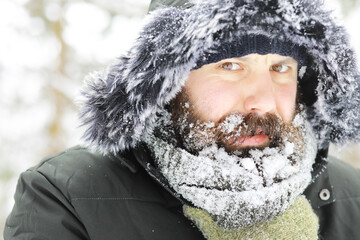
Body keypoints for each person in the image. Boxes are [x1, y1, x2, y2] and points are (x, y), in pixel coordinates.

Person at [4, 0, 360, 239]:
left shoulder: (353, 197)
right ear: (168, 82)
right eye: (231, 66)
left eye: (281, 68)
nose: (263, 101)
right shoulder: (67, 196)